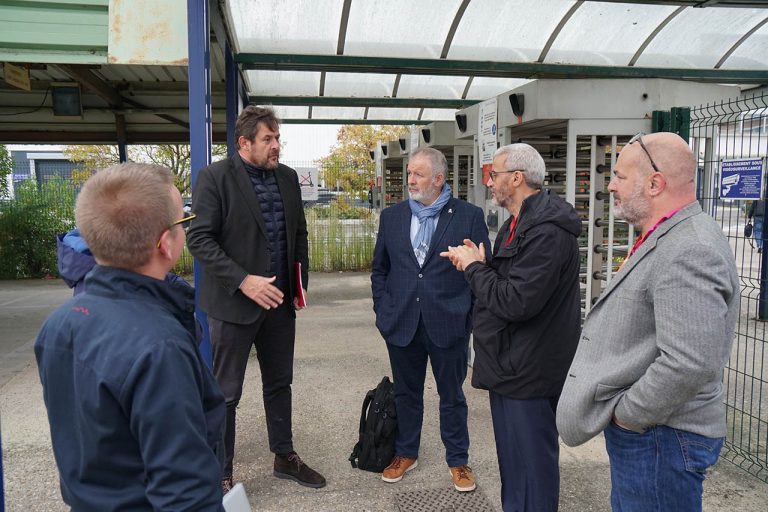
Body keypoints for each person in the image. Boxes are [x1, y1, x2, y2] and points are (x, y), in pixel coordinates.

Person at [556, 132, 739, 511]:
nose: (610, 185)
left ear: (655, 183)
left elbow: (689, 362)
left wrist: (628, 416)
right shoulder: (666, 234)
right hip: (656, 436)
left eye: (620, 176)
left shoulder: (690, 248)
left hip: (662, 438)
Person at [35, 163, 225, 511]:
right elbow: (185, 492)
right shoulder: (160, 347)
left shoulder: (59, 324)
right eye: (183, 221)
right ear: (166, 243)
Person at [186, 105, 323, 493]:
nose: (276, 145)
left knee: (280, 383)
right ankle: (221, 474)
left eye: (277, 137)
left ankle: (285, 456)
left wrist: (301, 282)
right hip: (233, 306)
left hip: (279, 303)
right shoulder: (214, 178)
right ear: (244, 142)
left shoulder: (288, 178)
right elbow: (199, 239)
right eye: (268, 139)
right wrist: (244, 281)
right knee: (226, 393)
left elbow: (298, 233)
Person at [441, 143, 582, 512]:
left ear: (517, 178)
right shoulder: (516, 223)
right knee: (514, 464)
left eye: (495, 175)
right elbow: (512, 282)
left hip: (530, 369)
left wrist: (474, 268)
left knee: (532, 468)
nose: (489, 182)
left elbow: (516, 301)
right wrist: (483, 263)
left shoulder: (547, 231)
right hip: (510, 364)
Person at [371, 147, 490, 492]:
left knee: (451, 395)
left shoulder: (468, 216)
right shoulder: (392, 217)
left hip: (448, 322)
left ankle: (458, 459)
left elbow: (483, 271)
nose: (410, 180)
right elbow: (380, 269)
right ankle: (406, 452)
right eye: (409, 173)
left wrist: (467, 315)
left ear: (439, 179)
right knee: (406, 394)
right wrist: (383, 309)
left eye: (418, 174)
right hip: (402, 322)